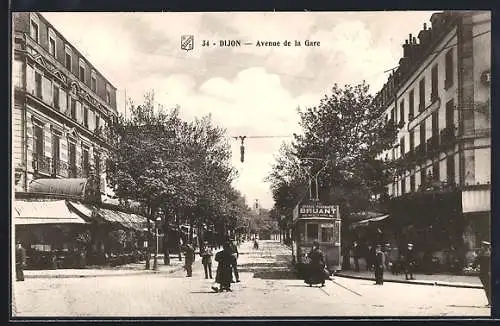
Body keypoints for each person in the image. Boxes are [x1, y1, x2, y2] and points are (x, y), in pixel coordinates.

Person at [473, 241, 491, 307]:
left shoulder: (481, 255)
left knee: (487, 288)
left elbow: (475, 264)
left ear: (483, 247)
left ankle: (490, 302)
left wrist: (472, 266)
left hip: (484, 274)